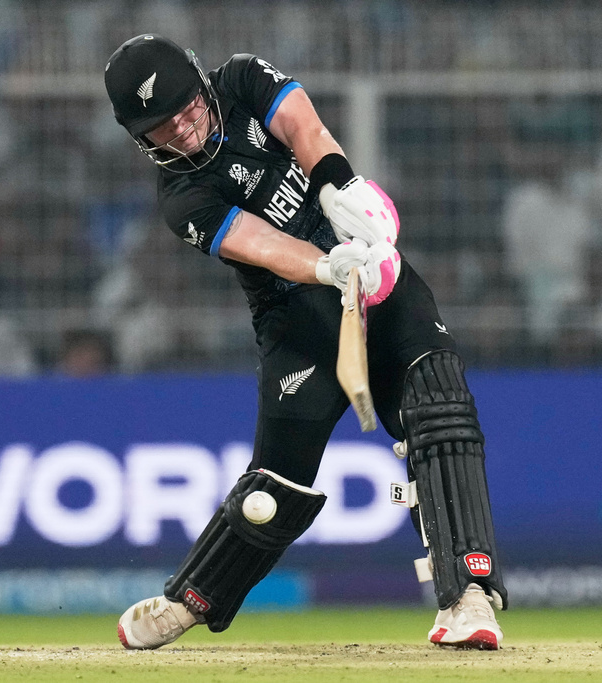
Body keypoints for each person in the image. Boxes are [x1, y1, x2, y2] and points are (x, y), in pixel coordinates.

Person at [104, 35, 507, 650]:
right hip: (296, 316)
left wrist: (343, 195)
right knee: (276, 487)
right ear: (143, 139)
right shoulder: (181, 197)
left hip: (372, 270)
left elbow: (303, 126)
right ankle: (189, 599)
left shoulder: (239, 79)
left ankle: (469, 598)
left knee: (439, 407)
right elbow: (258, 244)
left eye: (186, 109)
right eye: (162, 128)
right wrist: (327, 267)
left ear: (199, 83)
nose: (182, 130)